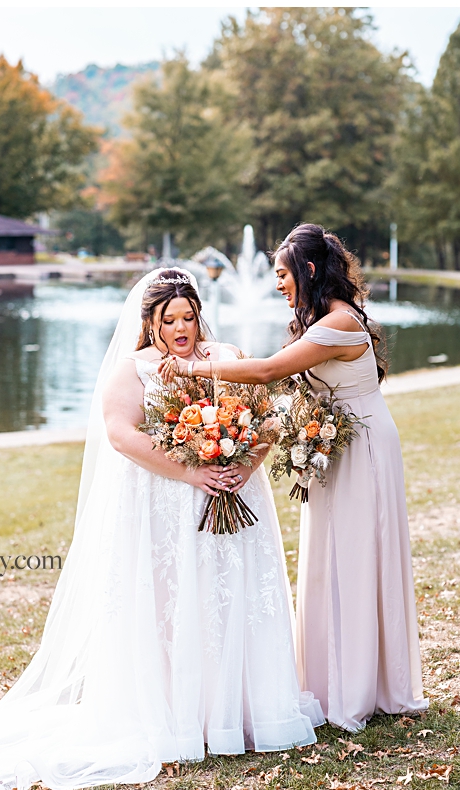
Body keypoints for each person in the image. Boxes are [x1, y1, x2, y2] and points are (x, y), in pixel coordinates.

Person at [0, 268, 322, 790]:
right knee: (173, 603)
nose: (182, 329)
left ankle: (238, 709)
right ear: (149, 321)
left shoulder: (226, 353)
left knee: (230, 596)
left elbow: (266, 417)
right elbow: (120, 434)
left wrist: (245, 464)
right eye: (169, 319)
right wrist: (191, 471)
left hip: (235, 494)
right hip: (169, 506)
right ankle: (180, 714)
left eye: (189, 317)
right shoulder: (132, 370)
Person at [158, 225, 425, 731]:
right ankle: (331, 682)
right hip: (338, 442)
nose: (277, 284)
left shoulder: (340, 324)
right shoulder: (325, 318)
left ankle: (362, 686)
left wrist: (191, 369)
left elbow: (268, 372)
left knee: (357, 554)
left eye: (282, 274)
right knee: (331, 556)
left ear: (306, 270)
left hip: (363, 446)